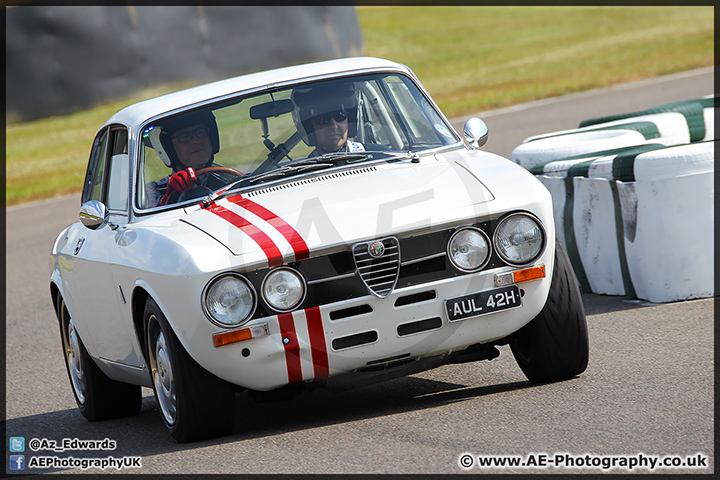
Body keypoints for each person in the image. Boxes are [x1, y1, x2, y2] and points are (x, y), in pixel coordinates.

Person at [144, 109, 221, 207]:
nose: (196, 140)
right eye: (185, 136)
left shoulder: (232, 179)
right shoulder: (152, 192)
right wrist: (169, 197)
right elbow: (150, 220)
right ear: (168, 148)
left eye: (200, 132)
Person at [291, 81, 365, 158]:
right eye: (322, 118)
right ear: (309, 127)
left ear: (350, 119)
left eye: (340, 115)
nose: (334, 125)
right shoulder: (305, 169)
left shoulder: (375, 158)